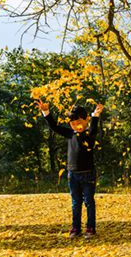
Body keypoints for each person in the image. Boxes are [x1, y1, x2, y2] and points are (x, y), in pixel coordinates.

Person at [37, 99, 104, 238]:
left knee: (89, 202)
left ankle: (90, 228)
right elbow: (54, 127)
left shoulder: (89, 134)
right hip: (72, 174)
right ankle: (76, 228)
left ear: (86, 120)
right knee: (75, 202)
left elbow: (93, 128)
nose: (76, 126)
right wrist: (46, 112)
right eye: (72, 124)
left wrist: (96, 115)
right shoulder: (70, 134)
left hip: (88, 173)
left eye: (79, 122)